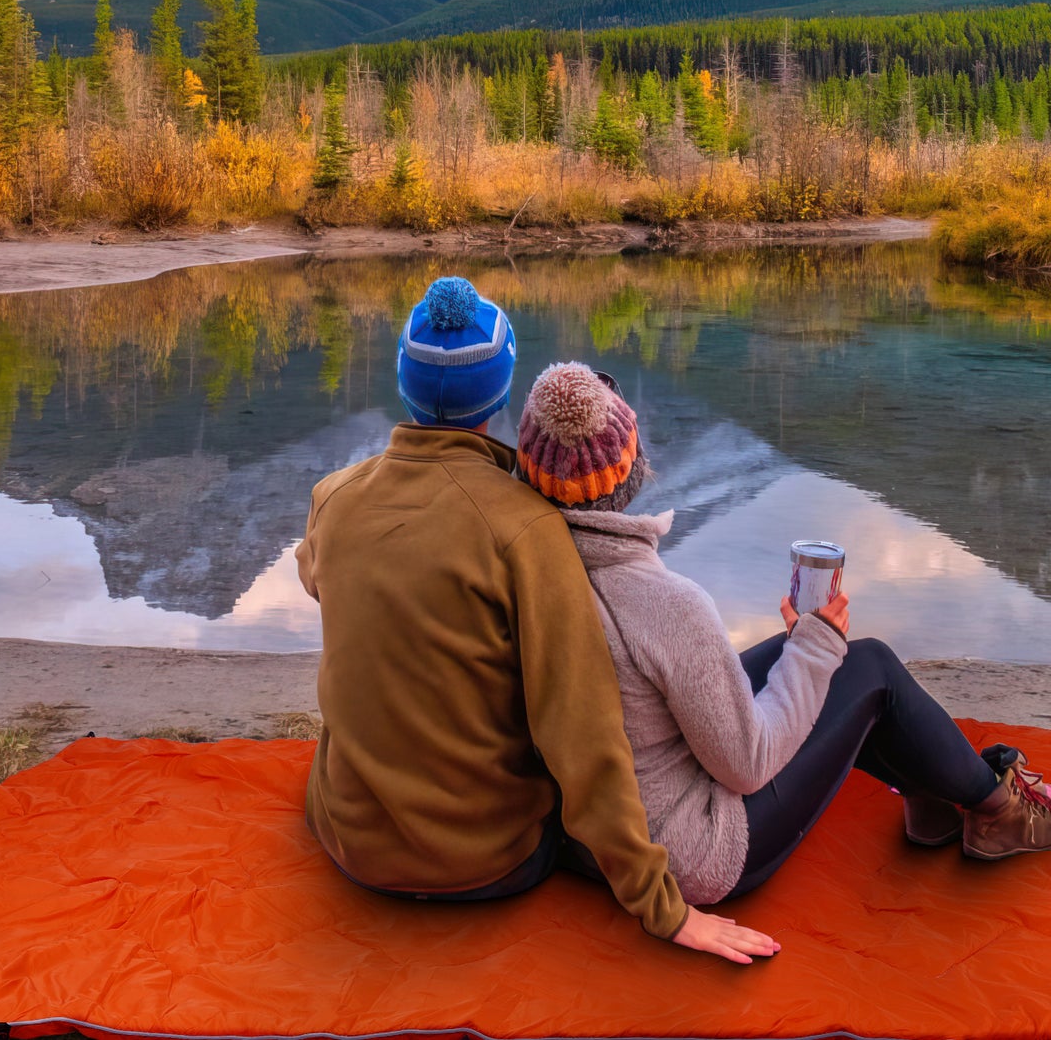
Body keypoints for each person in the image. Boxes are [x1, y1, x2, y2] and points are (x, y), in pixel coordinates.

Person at [295, 277, 778, 963]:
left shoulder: (333, 499)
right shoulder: (524, 529)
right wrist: (663, 909)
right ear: (499, 397)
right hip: (485, 863)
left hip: (347, 839)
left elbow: (314, 577)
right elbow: (581, 732)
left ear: (401, 379)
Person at [514, 361, 1051, 909]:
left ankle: (934, 795)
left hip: (586, 826)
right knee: (863, 667)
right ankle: (998, 813)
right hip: (680, 851)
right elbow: (747, 765)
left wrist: (803, 654)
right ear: (630, 465)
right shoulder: (663, 603)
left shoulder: (519, 560)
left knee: (806, 661)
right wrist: (815, 647)